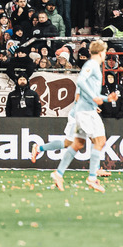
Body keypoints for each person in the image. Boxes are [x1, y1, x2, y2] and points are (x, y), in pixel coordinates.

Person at [49, 40, 118, 192]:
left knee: (78, 144)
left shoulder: (93, 66)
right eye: (105, 52)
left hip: (83, 110)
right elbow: (80, 81)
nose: (105, 55)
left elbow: (90, 90)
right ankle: (92, 178)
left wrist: (107, 98)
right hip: (87, 111)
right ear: (101, 52)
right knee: (100, 141)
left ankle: (58, 173)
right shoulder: (92, 65)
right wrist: (94, 97)